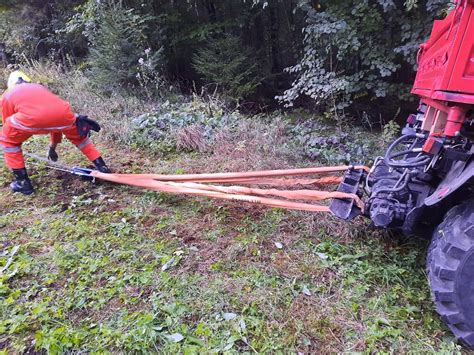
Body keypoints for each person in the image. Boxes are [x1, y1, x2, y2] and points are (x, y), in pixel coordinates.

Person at [0, 70, 110, 195]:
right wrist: (53, 146)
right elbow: (54, 120)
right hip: (65, 114)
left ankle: (23, 183)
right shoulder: (40, 88)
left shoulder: (8, 95)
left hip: (31, 119)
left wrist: (13, 138)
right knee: (80, 140)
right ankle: (102, 166)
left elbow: (8, 125)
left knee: (8, 141)